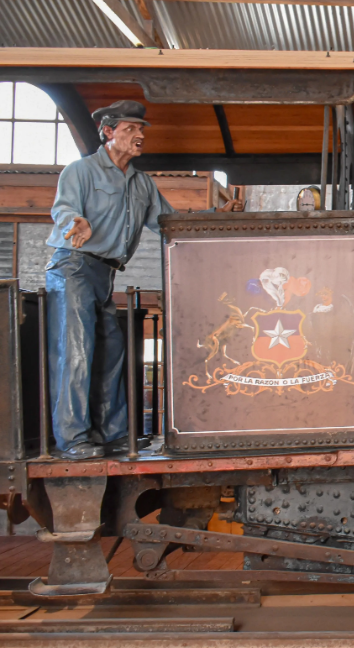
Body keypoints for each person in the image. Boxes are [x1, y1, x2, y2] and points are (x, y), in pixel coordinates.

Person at [47, 100, 243, 459]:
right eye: (130, 129)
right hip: (73, 266)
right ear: (108, 133)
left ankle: (112, 434)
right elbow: (63, 208)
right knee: (78, 352)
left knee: (111, 352)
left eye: (141, 130)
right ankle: (73, 439)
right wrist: (75, 222)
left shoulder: (141, 184)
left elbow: (169, 223)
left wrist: (216, 216)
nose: (139, 136)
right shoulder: (81, 171)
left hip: (104, 273)